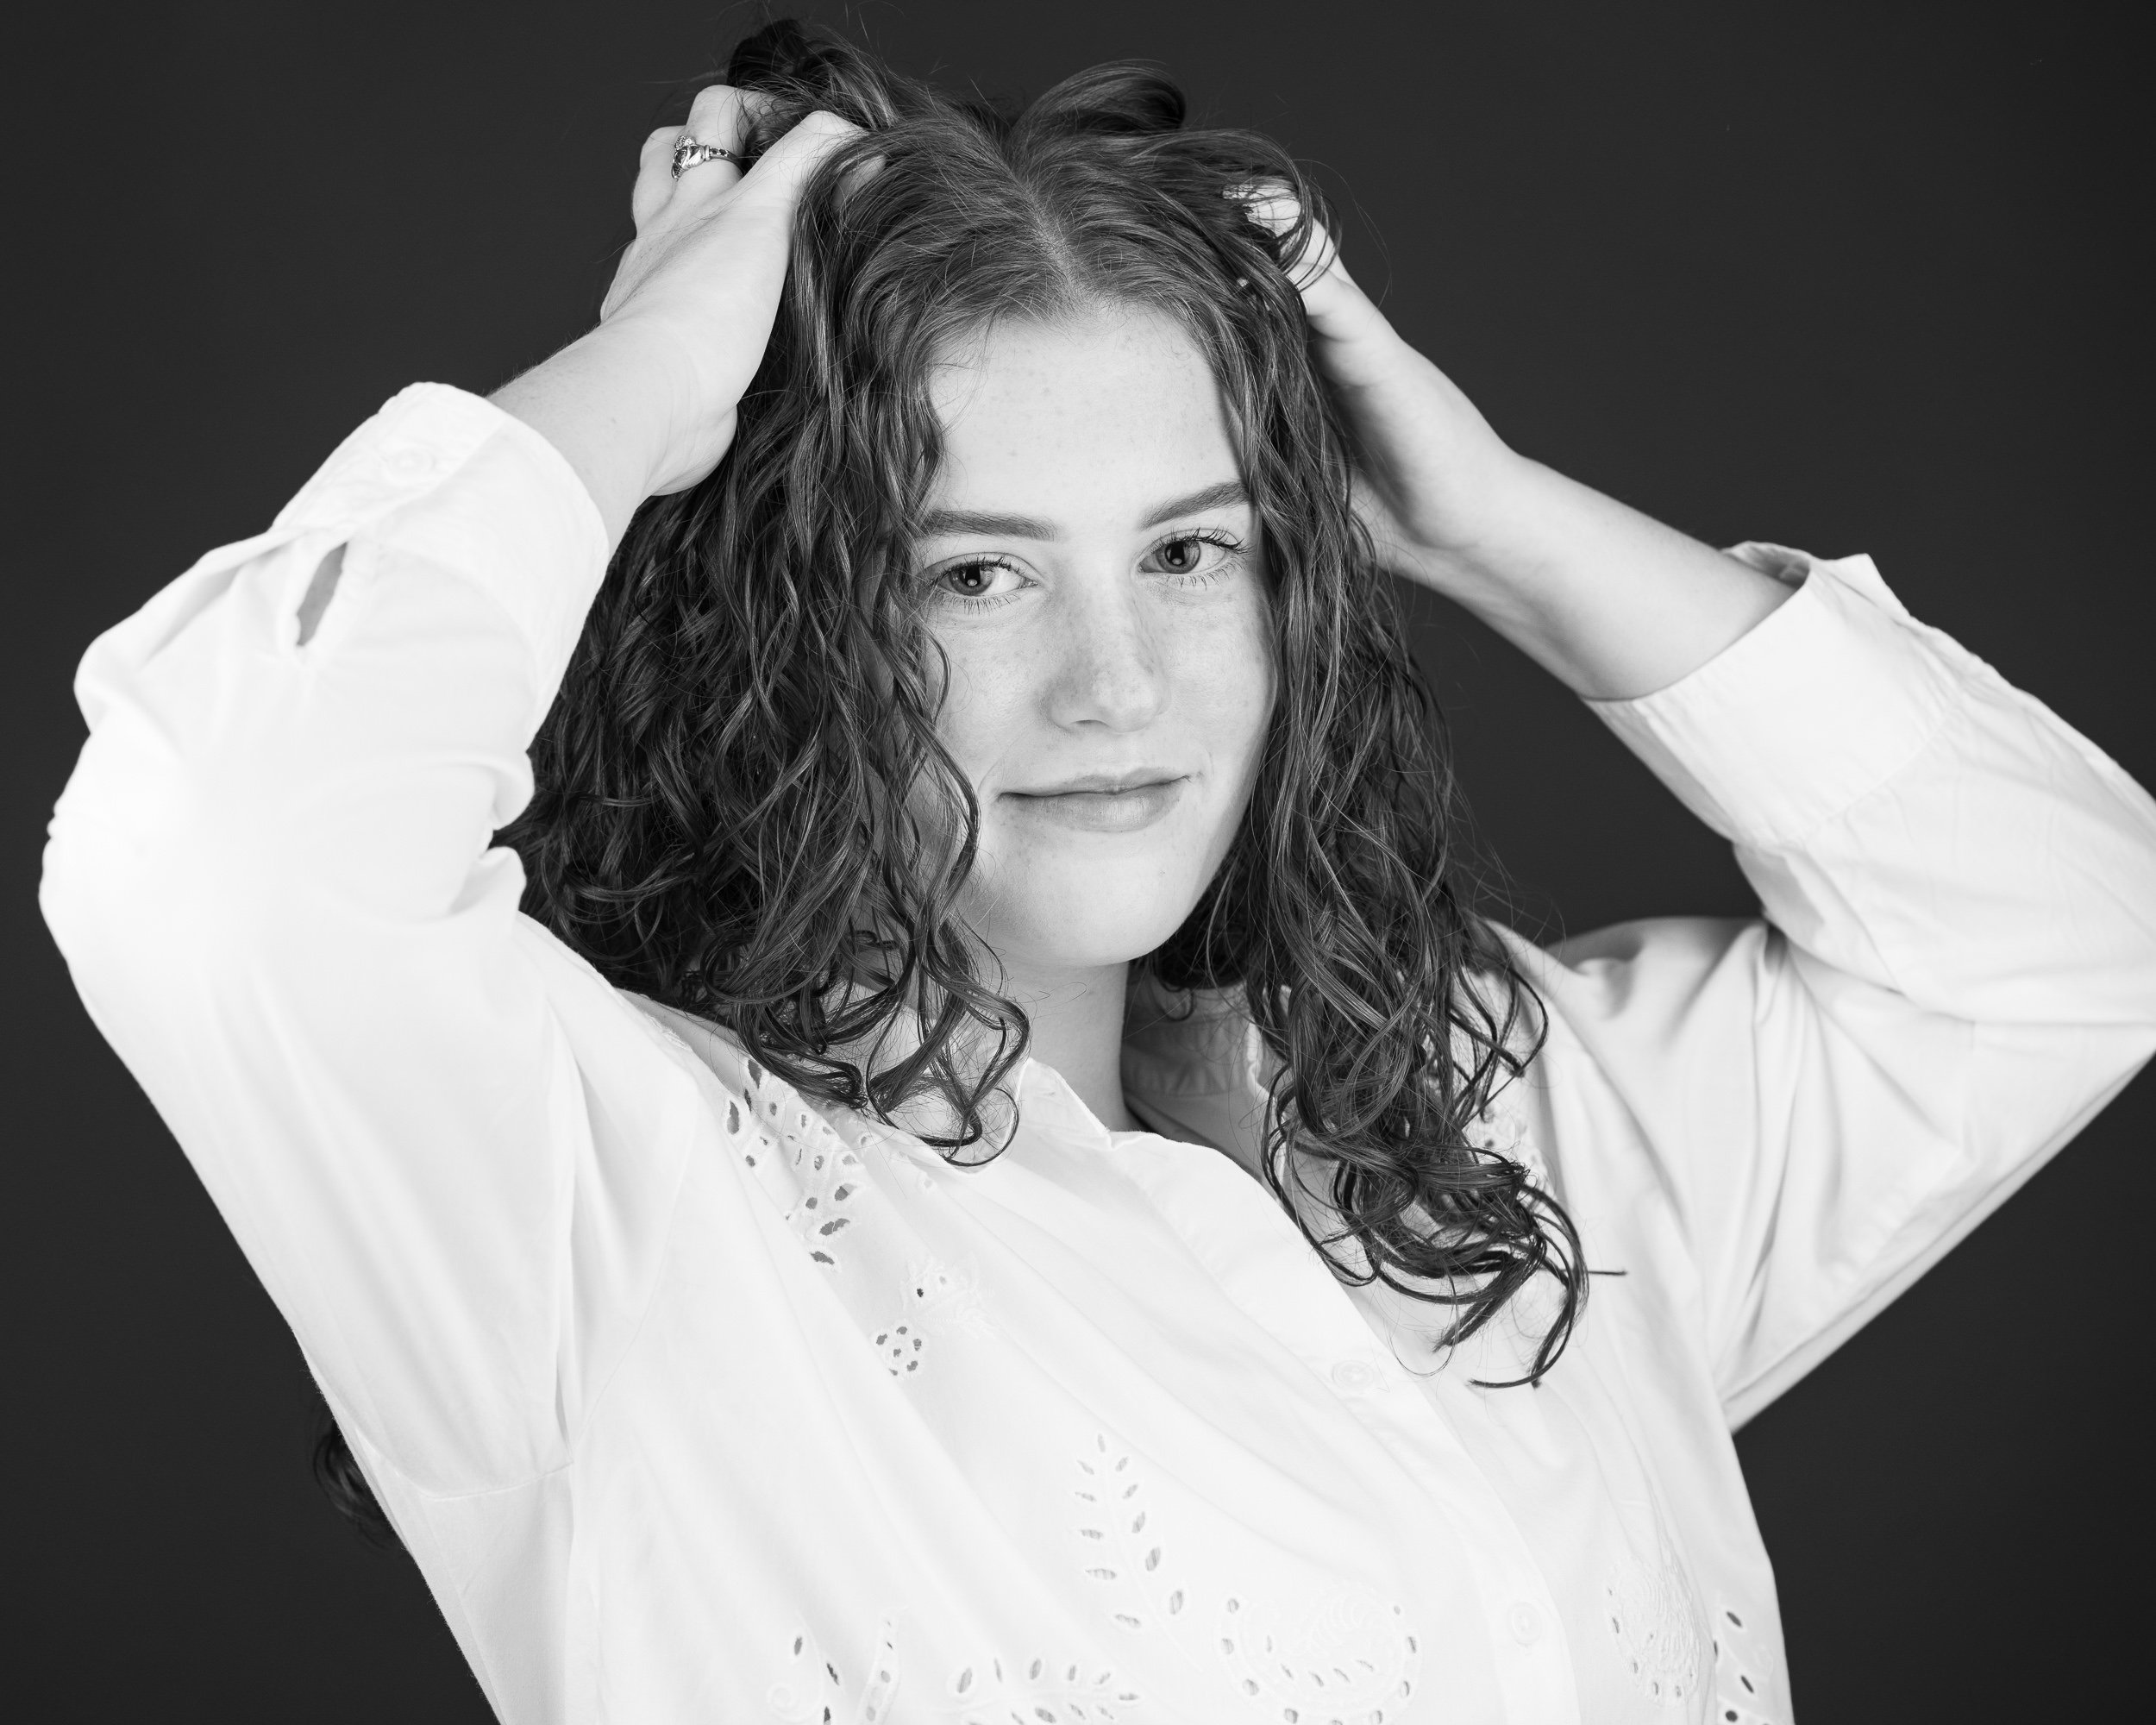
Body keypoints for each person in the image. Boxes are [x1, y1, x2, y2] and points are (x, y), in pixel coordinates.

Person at [38, 18, 2156, 1725]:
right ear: (781, 622)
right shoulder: (618, 1216)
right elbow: (210, 846)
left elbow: (2064, 931)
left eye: (1189, 547)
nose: (1116, 681)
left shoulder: (1481, 1129)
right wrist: (661, 373)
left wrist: (1488, 512)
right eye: (972, 572)